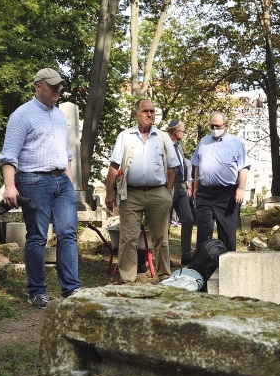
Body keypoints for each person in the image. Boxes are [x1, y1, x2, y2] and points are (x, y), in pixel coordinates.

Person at [0, 68, 83, 308]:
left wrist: (69, 180)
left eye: (59, 85)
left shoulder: (58, 116)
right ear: (38, 85)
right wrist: (10, 186)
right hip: (34, 181)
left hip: (62, 182)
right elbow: (8, 155)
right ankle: (36, 291)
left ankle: (72, 288)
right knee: (37, 237)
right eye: (52, 85)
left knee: (68, 234)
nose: (58, 89)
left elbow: (66, 153)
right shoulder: (22, 115)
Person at [105, 99, 178, 282]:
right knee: (128, 238)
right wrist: (109, 193)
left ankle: (164, 276)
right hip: (131, 194)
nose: (150, 114)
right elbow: (114, 166)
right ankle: (127, 278)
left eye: (152, 111)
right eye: (145, 111)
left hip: (158, 193)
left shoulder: (162, 137)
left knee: (161, 237)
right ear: (136, 113)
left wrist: (168, 191)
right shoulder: (125, 136)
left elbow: (172, 167)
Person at [191, 111, 250, 252]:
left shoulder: (236, 143)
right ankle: (202, 268)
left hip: (227, 194)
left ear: (226, 126)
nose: (214, 129)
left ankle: (228, 269)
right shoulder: (204, 141)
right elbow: (197, 164)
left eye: (217, 126)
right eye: (212, 126)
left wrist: (241, 188)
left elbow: (244, 167)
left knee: (227, 234)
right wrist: (195, 188)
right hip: (205, 193)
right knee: (203, 234)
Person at [166, 119, 195, 265]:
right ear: (176, 132)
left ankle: (186, 255)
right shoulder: (165, 145)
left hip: (180, 187)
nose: (184, 133)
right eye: (183, 131)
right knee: (165, 224)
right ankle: (165, 257)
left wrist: (188, 185)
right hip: (167, 187)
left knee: (188, 219)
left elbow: (185, 165)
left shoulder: (178, 146)